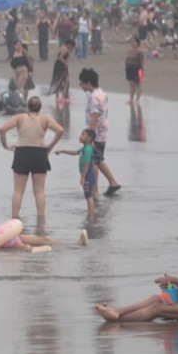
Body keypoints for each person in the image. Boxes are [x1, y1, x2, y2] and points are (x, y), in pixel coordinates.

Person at [95, 220, 178, 322]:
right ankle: (117, 311)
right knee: (156, 298)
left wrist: (172, 279)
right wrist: (172, 286)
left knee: (157, 309)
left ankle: (117, 319)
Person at [0, 96, 64, 218]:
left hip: (22, 153)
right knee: (39, 191)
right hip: (39, 153)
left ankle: (14, 218)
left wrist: (5, 146)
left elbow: (2, 129)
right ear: (40, 107)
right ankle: (41, 220)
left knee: (18, 190)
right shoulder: (45, 119)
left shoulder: (20, 117)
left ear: (27, 106)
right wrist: (50, 146)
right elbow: (60, 130)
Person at [0, 206, 88, 253]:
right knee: (26, 248)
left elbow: (4, 230)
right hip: (8, 244)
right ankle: (38, 250)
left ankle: (77, 242)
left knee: (43, 239)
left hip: (14, 238)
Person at [78, 68, 122, 196]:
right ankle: (111, 183)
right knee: (97, 160)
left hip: (96, 134)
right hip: (102, 132)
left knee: (93, 162)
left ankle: (95, 190)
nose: (80, 85)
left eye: (82, 83)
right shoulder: (102, 93)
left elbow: (94, 117)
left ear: (88, 83)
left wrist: (90, 137)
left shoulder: (94, 97)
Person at [54, 128, 98, 220]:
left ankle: (91, 216)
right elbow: (74, 152)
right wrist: (62, 151)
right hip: (87, 175)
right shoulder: (84, 148)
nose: (80, 136)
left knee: (88, 196)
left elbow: (87, 164)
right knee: (88, 196)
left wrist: (83, 177)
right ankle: (90, 214)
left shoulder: (88, 149)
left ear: (89, 138)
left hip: (88, 175)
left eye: (83, 134)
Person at [48, 39, 75, 104]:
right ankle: (64, 96)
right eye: (72, 46)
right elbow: (60, 57)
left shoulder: (63, 47)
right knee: (66, 81)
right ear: (69, 44)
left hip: (59, 65)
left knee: (60, 80)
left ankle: (59, 96)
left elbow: (58, 55)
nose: (72, 48)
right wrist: (65, 63)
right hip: (61, 66)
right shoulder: (65, 49)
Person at [124, 36, 144, 104]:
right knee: (131, 85)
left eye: (134, 41)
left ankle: (137, 99)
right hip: (129, 69)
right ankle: (131, 99)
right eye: (132, 41)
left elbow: (142, 61)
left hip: (137, 69)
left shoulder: (139, 51)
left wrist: (142, 71)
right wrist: (126, 66)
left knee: (138, 85)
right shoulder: (129, 50)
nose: (133, 43)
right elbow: (127, 59)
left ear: (137, 43)